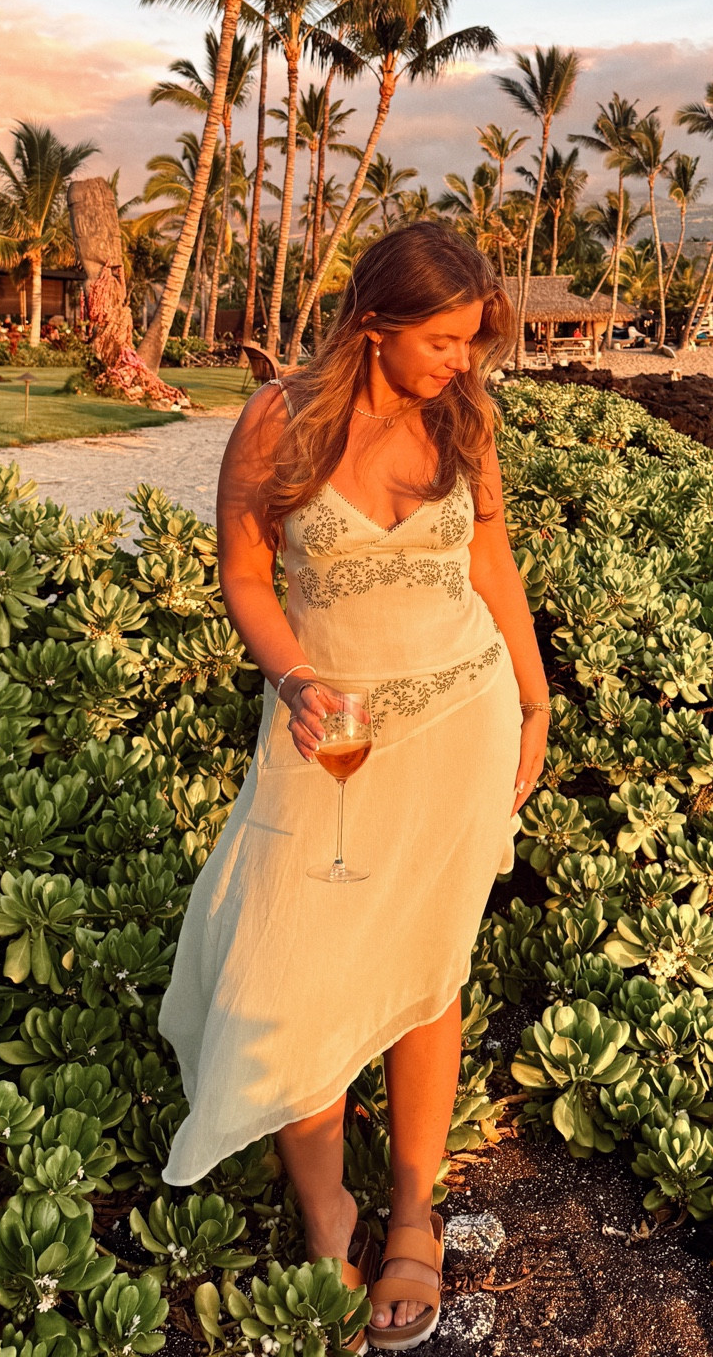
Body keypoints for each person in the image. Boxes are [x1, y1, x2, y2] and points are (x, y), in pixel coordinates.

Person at [159, 223, 550, 1352]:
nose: (461, 363)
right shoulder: (276, 419)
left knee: (430, 968)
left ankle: (414, 1209)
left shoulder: (464, 418)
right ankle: (326, 1207)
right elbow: (243, 570)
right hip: (327, 732)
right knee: (298, 965)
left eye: (472, 343)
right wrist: (292, 676)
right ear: (373, 323)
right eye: (442, 340)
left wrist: (533, 702)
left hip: (459, 724)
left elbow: (493, 569)